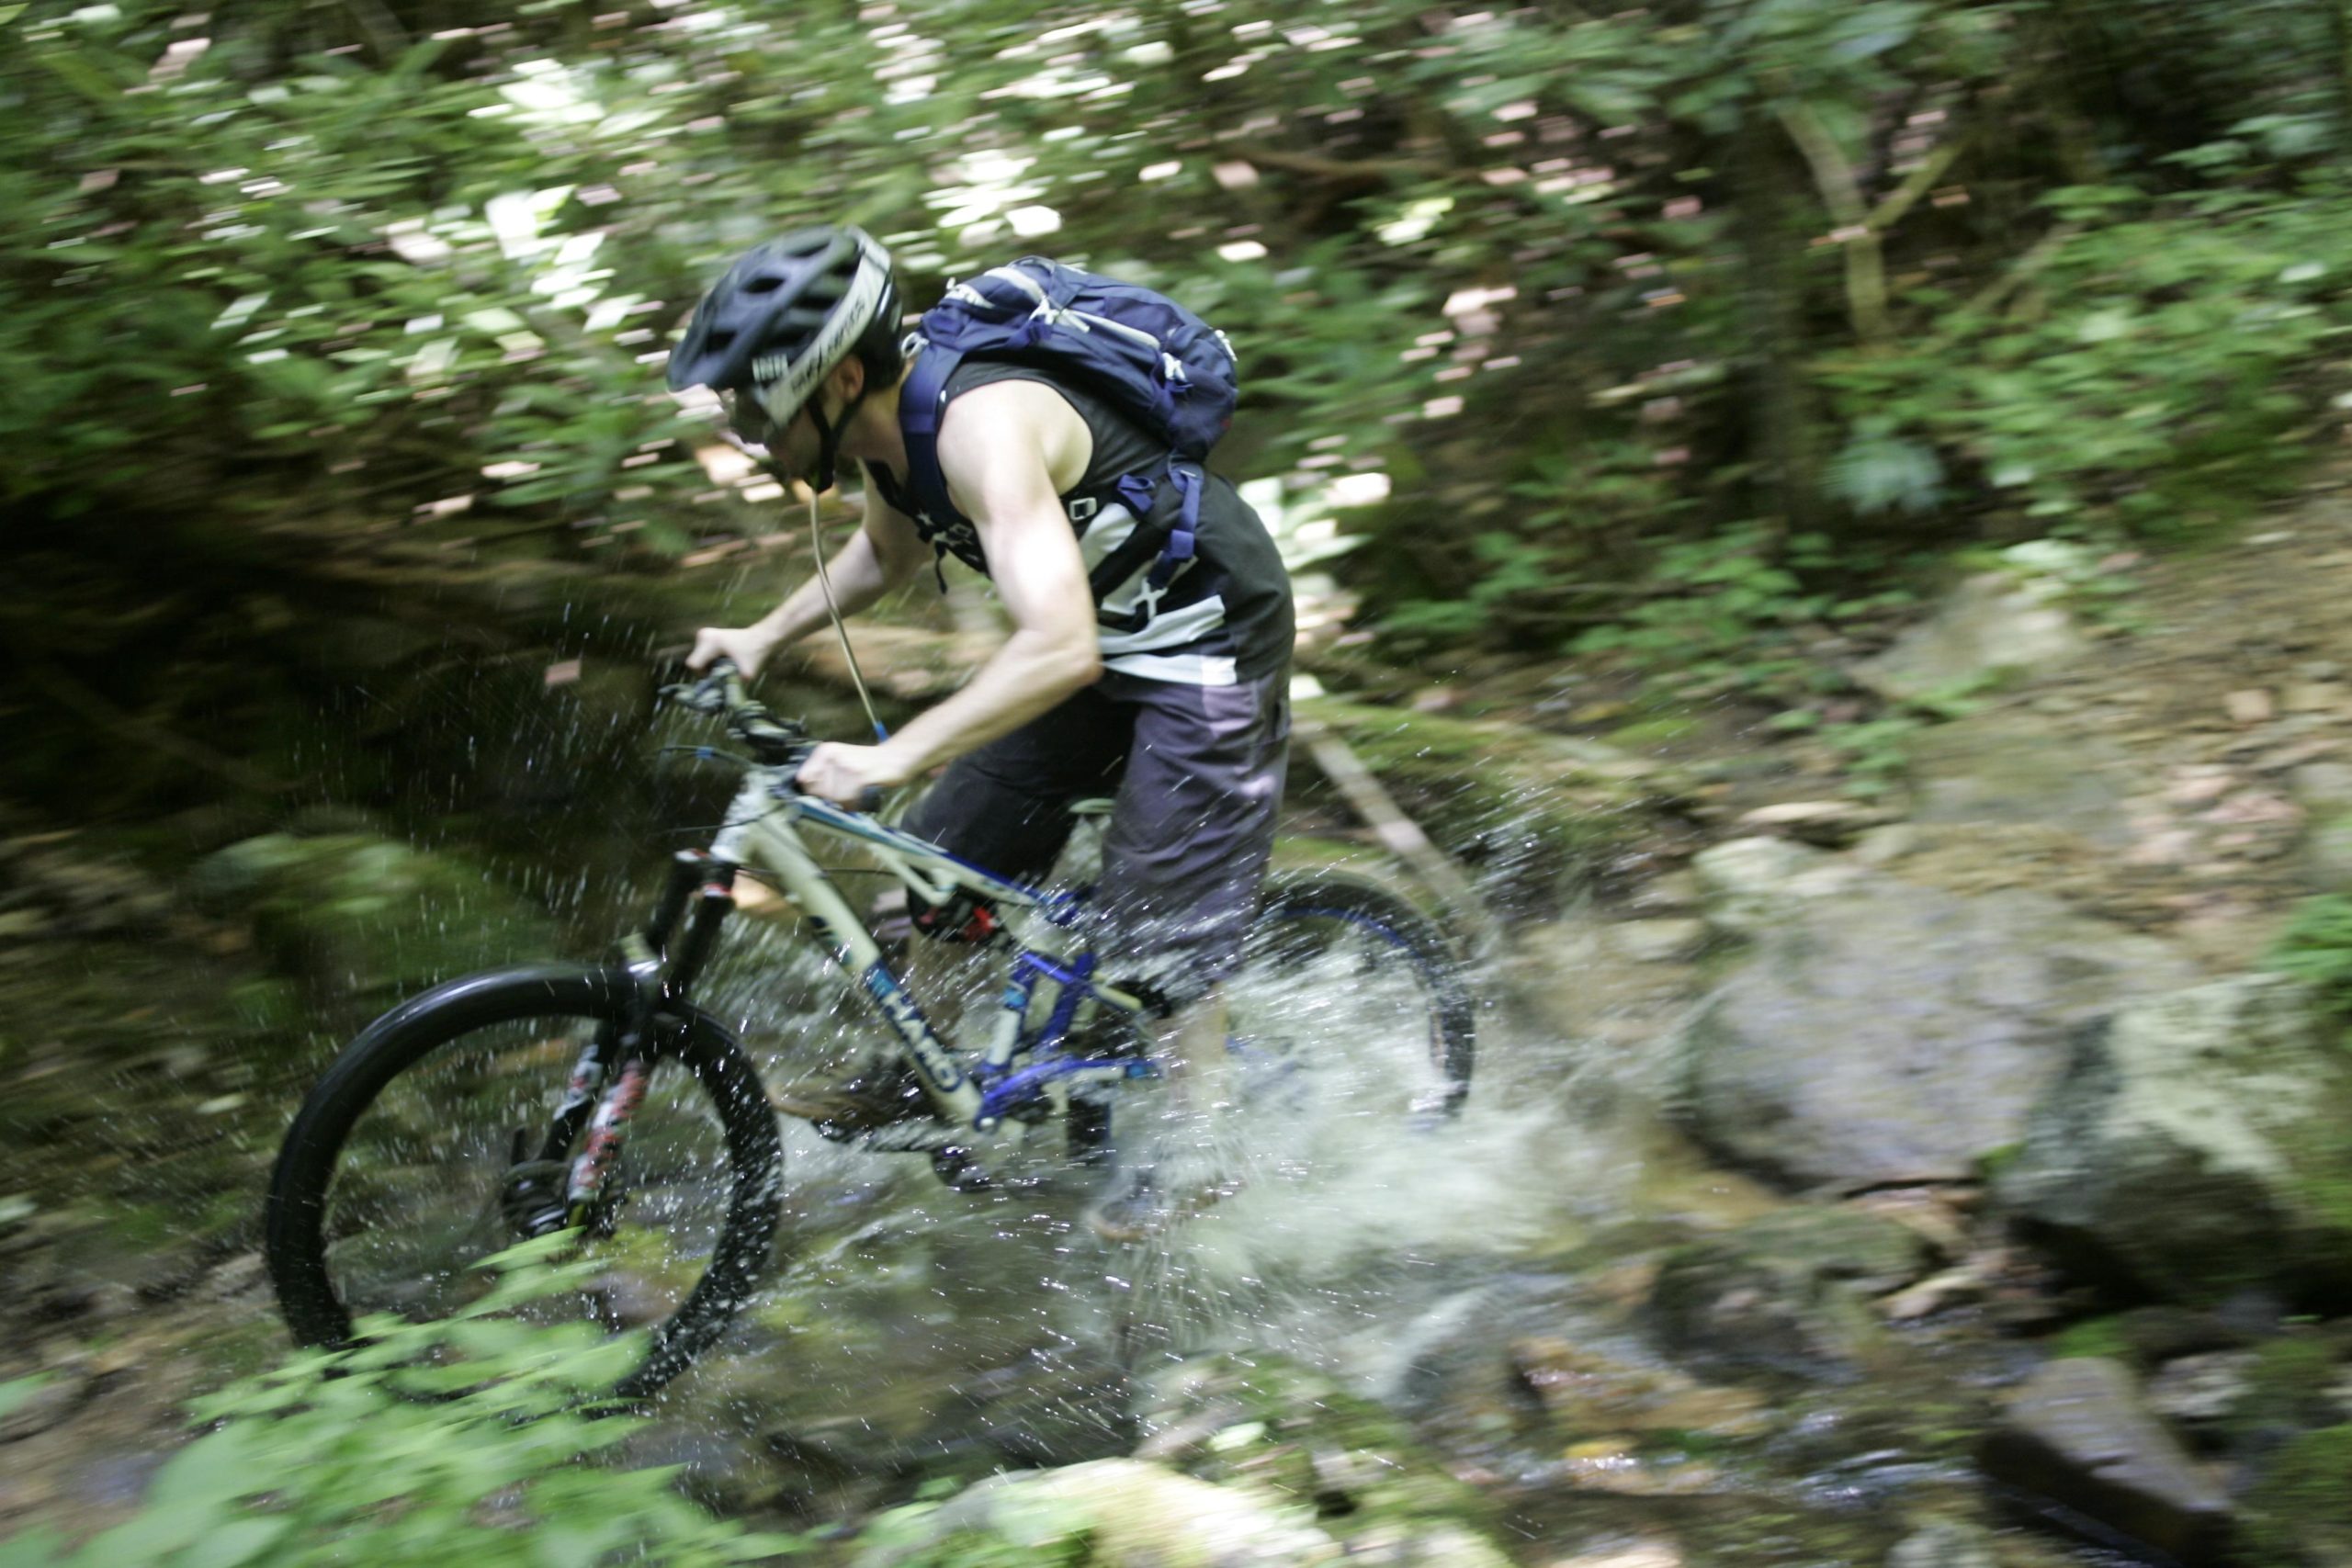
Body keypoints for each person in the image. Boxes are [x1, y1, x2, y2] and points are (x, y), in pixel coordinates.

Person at [666, 227, 1295, 1240]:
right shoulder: (887, 444)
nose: (744, 430)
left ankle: (1202, 1145)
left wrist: (894, 752)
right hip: (1102, 636)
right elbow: (883, 558)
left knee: (1154, 934)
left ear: (842, 379)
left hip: (1203, 640)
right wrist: (761, 634)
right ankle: (924, 1081)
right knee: (946, 863)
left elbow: (1058, 647)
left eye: (756, 403)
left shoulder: (980, 429)